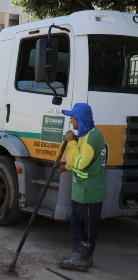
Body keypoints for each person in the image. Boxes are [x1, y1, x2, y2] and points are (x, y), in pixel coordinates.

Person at [57, 103, 106, 271]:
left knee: (85, 228)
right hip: (82, 191)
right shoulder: (86, 136)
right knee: (77, 224)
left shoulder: (92, 137)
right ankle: (81, 256)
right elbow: (80, 160)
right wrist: (67, 167)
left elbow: (81, 162)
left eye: (72, 118)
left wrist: (70, 143)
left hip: (89, 193)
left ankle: (82, 258)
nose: (71, 122)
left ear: (80, 119)